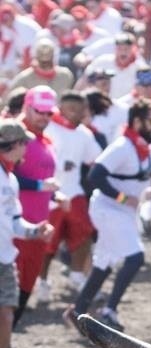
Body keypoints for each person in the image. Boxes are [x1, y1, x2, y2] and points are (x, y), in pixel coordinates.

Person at [63, 98, 151, 330]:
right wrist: (123, 198)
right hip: (109, 209)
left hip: (122, 212)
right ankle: (109, 310)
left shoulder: (141, 145)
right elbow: (95, 175)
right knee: (135, 258)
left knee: (104, 262)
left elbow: (138, 174)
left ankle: (78, 310)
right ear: (137, 121)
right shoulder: (122, 146)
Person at [0, 119, 52, 348]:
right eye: (24, 143)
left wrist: (36, 231)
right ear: (15, 144)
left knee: (7, 314)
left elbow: (15, 221)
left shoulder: (10, 179)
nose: (27, 149)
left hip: (5, 258)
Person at [37, 89, 101, 300]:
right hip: (51, 196)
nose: (73, 113)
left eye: (78, 109)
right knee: (48, 242)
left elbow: (96, 159)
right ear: (61, 108)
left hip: (75, 193)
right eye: (69, 108)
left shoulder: (85, 133)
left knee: (85, 234)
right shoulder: (49, 127)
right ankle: (42, 281)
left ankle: (76, 274)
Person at [13, 84, 58, 320]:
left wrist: (55, 195)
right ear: (27, 107)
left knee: (24, 292)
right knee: (8, 298)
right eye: (39, 111)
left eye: (49, 112)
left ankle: (5, 347)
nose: (44, 116)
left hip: (38, 229)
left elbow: (40, 178)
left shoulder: (45, 140)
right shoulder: (14, 138)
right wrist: (41, 186)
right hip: (13, 229)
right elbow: (7, 174)